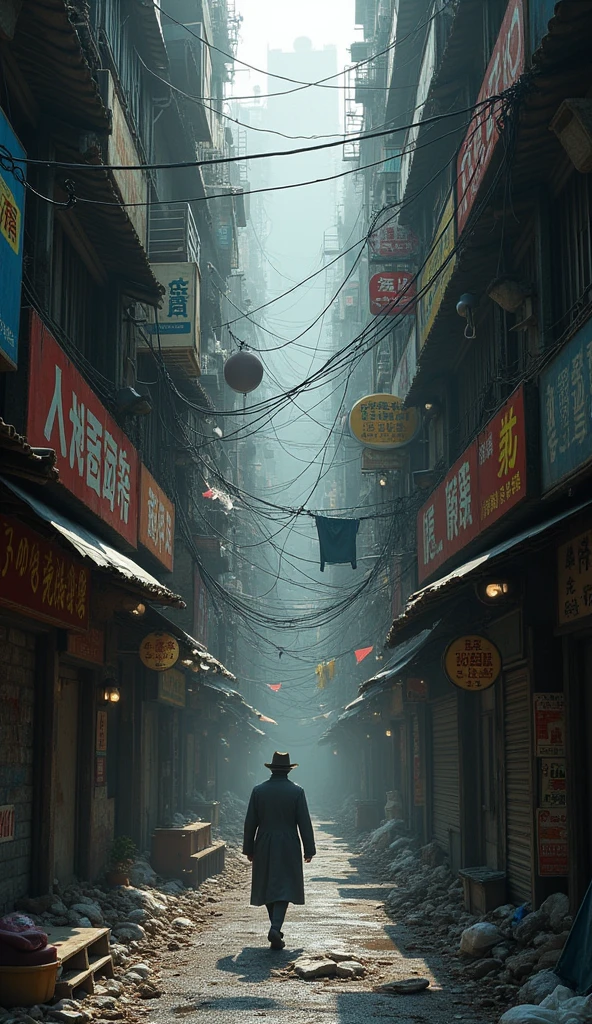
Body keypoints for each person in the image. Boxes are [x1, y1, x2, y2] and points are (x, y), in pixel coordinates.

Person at [243, 751, 316, 949]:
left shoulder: (258, 791)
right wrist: (309, 849)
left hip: (264, 841)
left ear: (272, 769)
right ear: (288, 770)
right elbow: (304, 822)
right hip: (289, 843)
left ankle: (275, 926)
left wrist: (249, 848)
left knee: (268, 883)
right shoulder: (297, 792)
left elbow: (250, 823)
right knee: (284, 885)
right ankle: (276, 927)